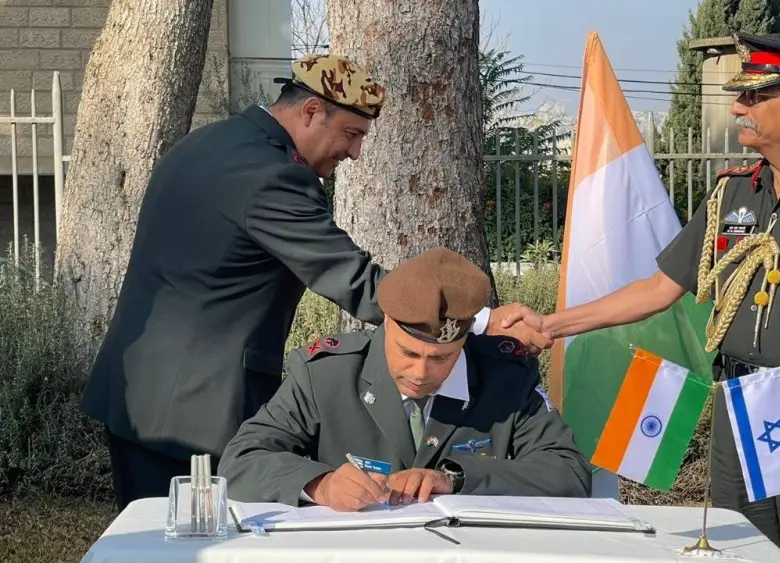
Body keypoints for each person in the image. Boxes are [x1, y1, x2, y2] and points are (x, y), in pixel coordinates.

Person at [502, 33, 780, 563]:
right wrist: (550, 324)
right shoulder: (733, 191)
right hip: (740, 410)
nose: (738, 107)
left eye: (755, 97)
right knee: (744, 551)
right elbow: (658, 288)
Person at [80, 53, 550, 512]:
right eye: (350, 133)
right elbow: (352, 279)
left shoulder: (209, 144)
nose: (354, 152)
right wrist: (475, 320)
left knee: (152, 540)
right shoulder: (273, 177)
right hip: (196, 411)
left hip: (140, 393)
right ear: (309, 111)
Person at [218, 247, 592, 509]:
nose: (420, 373)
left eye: (443, 358)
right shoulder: (325, 375)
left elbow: (569, 471)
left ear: (465, 341)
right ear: (386, 326)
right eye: (408, 352)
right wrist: (321, 484)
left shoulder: (504, 377)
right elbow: (241, 461)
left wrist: (458, 479)